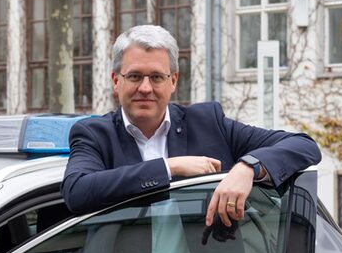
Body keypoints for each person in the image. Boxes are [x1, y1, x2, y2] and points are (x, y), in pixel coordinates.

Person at [62, 24, 321, 225]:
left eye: (156, 77)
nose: (145, 87)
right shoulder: (94, 135)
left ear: (173, 81)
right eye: (134, 76)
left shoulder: (209, 124)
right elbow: (78, 192)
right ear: (116, 81)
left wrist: (247, 168)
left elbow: (304, 146)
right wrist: (169, 167)